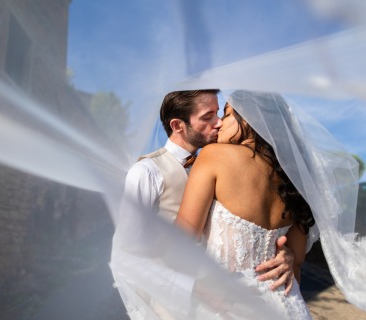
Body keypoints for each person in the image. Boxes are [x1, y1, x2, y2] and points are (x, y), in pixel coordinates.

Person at [115, 90, 295, 319]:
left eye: (219, 113)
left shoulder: (220, 165)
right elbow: (124, 256)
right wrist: (191, 288)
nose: (219, 122)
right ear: (178, 125)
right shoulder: (146, 172)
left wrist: (283, 252)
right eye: (207, 116)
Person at [176, 90, 316, 319]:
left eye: (228, 114)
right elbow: (295, 264)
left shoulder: (214, 156)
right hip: (287, 306)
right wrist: (288, 257)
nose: (219, 123)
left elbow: (180, 240)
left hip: (227, 304)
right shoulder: (294, 181)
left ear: (251, 121)